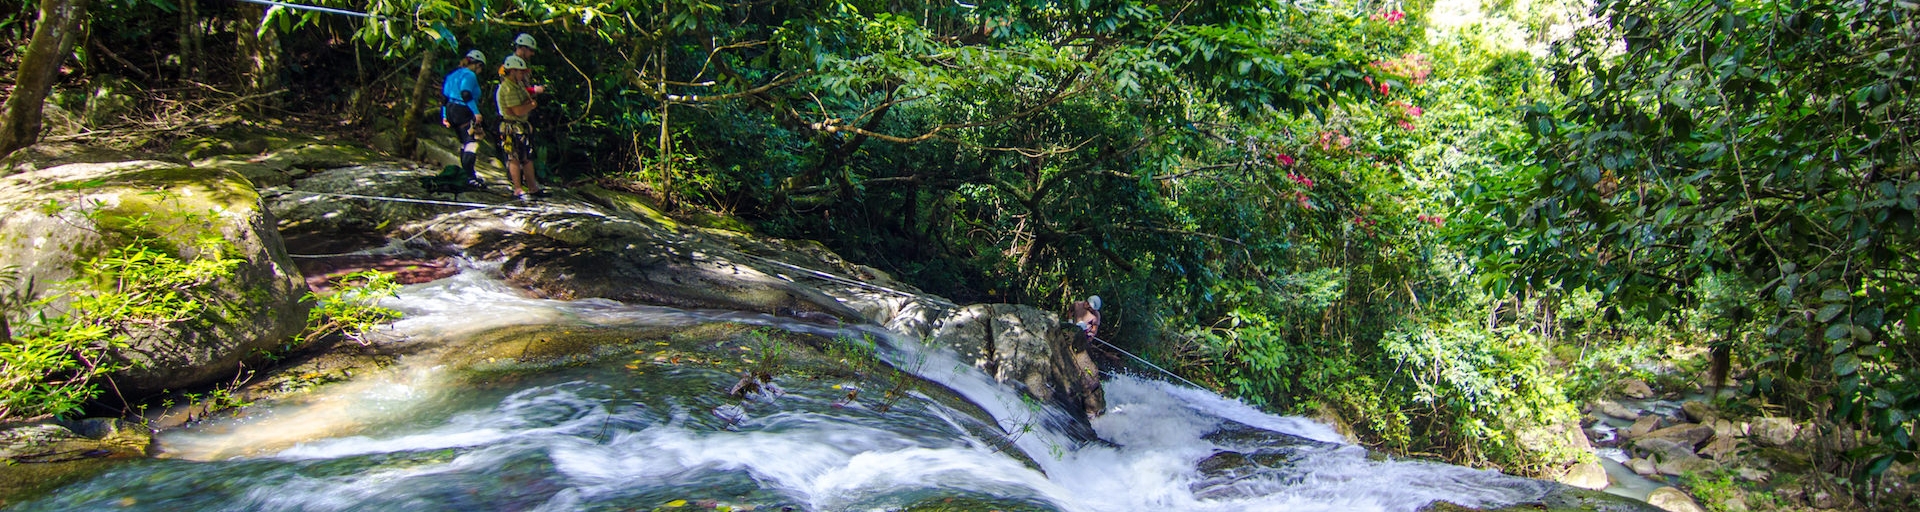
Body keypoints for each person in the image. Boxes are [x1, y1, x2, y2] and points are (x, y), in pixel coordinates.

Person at [497, 55, 545, 199]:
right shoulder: (507, 88)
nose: (522, 74)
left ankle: (532, 187)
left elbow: (524, 101)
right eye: (520, 71)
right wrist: (531, 106)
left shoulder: (517, 85)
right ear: (512, 71)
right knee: (514, 158)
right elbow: (517, 111)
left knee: (527, 157)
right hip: (511, 127)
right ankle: (518, 188)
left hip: (521, 126)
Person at [441, 49, 487, 189]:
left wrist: (444, 115)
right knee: (472, 142)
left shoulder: (453, 74)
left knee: (464, 142)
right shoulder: (470, 75)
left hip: (450, 108)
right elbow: (466, 93)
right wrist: (476, 112)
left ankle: (466, 174)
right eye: (480, 67)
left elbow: (443, 97)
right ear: (476, 64)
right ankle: (469, 176)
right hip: (463, 110)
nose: (480, 71)